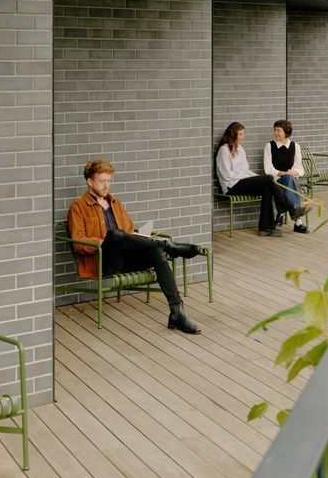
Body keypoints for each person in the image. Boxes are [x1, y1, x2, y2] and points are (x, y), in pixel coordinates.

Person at [67, 159, 202, 335]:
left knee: (155, 252)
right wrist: (104, 241)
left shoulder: (115, 203)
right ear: (90, 181)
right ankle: (168, 245)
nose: (106, 185)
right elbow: (78, 241)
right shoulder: (78, 206)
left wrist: (140, 238)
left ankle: (177, 312)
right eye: (102, 181)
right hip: (105, 262)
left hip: (126, 259)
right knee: (114, 235)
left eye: (109, 180)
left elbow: (129, 232)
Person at [216, 122, 308, 237]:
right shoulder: (224, 150)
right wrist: (253, 178)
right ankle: (292, 208)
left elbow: (246, 170)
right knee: (268, 179)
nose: (243, 137)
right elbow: (227, 175)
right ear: (232, 135)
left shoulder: (240, 149)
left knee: (267, 187)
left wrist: (256, 178)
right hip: (231, 186)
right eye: (240, 134)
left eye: (242, 134)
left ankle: (265, 228)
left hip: (241, 183)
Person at [263, 119, 310, 234]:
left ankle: (280, 214)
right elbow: (268, 169)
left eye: (278, 130)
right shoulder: (269, 146)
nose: (275, 133)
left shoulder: (296, 146)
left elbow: (300, 169)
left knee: (290, 179)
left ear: (286, 132)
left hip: (290, 178)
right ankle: (298, 221)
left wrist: (292, 172)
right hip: (276, 179)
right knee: (288, 179)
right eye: (274, 130)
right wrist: (284, 173)